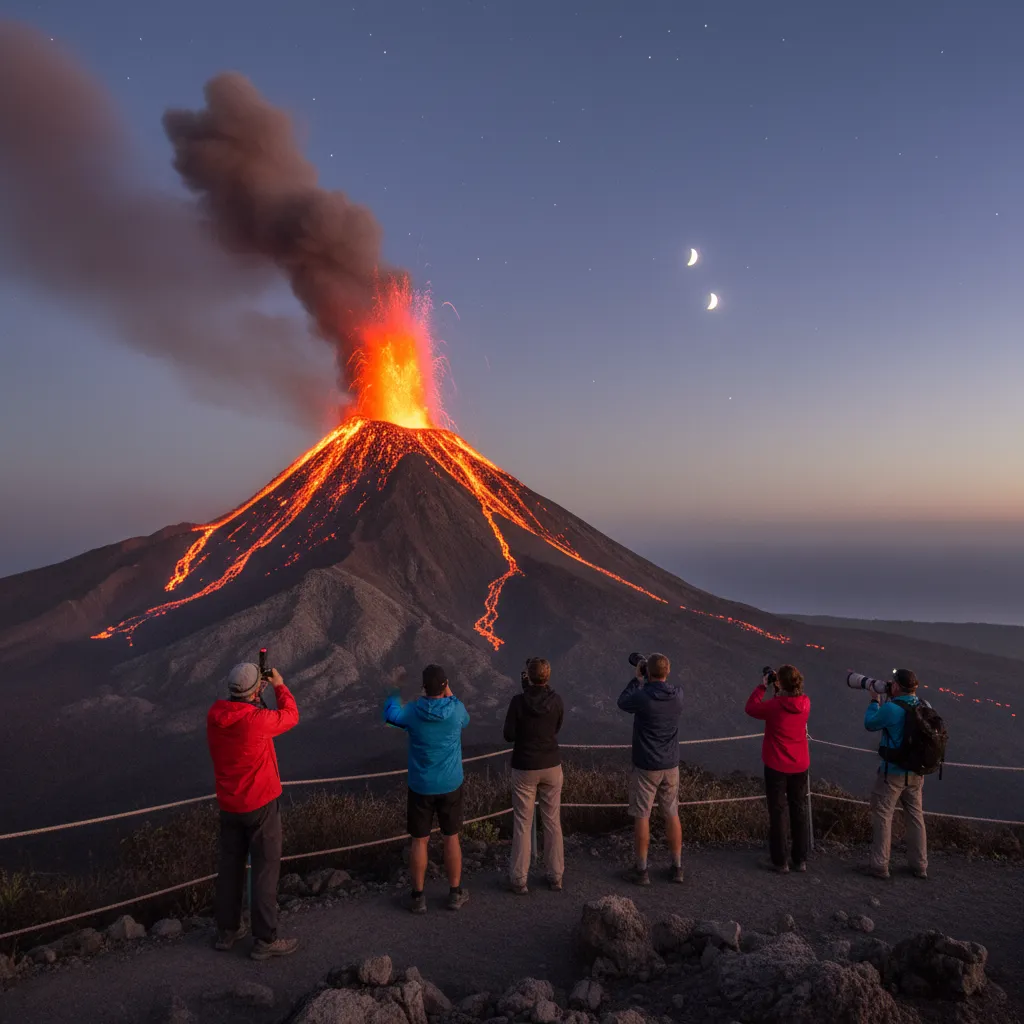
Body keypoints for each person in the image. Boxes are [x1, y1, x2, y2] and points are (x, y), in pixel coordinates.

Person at [206, 661, 300, 960]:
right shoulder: (255, 721)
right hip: (260, 805)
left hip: (229, 805)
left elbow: (242, 708)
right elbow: (290, 717)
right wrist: (279, 685)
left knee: (230, 868)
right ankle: (265, 940)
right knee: (264, 871)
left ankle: (227, 931)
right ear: (255, 690)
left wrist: (255, 691)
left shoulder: (215, 716)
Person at [383, 664, 471, 913]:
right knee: (451, 837)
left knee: (419, 841)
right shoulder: (456, 710)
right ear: (444, 685)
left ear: (423, 688)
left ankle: (418, 896)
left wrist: (395, 687)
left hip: (421, 786)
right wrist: (449, 692)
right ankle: (454, 893)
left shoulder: (412, 711)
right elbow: (466, 719)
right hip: (451, 784)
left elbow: (390, 717)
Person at [617, 653, 685, 885]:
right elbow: (666, 685)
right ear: (668, 671)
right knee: (672, 813)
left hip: (646, 765)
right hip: (671, 765)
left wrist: (637, 678)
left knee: (642, 815)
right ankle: (677, 868)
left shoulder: (643, 697)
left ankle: (642, 870)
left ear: (648, 672)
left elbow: (622, 702)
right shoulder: (678, 696)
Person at [503, 657, 565, 894]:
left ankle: (519, 879)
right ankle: (556, 876)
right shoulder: (556, 700)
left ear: (528, 677)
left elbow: (508, 734)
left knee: (522, 823)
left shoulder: (518, 702)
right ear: (547, 677)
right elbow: (556, 727)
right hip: (551, 764)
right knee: (552, 822)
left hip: (525, 766)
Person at [863, 668, 929, 880]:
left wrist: (875, 700)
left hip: (892, 773)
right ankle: (920, 865)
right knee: (916, 817)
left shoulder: (891, 708)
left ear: (898, 686)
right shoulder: (925, 706)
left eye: (892, 683)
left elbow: (870, 723)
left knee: (883, 816)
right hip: (917, 773)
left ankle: (880, 866)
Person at [744, 665, 811, 873]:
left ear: (779, 683)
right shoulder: (806, 703)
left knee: (778, 812)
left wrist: (762, 686)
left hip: (776, 766)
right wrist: (780, 690)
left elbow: (751, 708)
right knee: (799, 809)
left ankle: (780, 861)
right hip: (800, 765)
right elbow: (790, 701)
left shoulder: (774, 706)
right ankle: (800, 859)